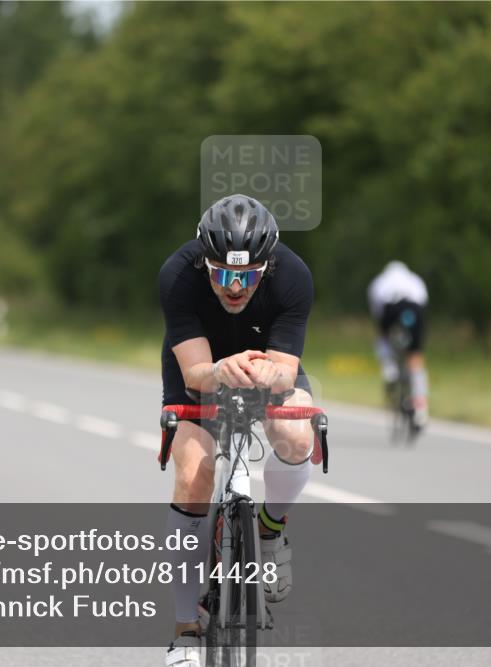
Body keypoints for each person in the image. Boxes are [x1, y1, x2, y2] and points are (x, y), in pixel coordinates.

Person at [159, 194, 316, 667]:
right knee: (194, 474)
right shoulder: (177, 275)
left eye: (246, 277)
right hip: (201, 366)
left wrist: (273, 375)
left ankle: (269, 529)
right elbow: (194, 373)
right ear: (203, 262)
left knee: (298, 435)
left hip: (266, 362)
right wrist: (219, 369)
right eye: (222, 273)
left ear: (267, 267)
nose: (233, 288)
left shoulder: (293, 276)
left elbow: (286, 370)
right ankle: (185, 630)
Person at [368, 260, 429, 428]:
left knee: (383, 339)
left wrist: (385, 333)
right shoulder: (415, 280)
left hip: (391, 308)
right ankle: (421, 408)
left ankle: (389, 369)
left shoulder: (379, 282)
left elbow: (377, 313)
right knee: (415, 357)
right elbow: (423, 304)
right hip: (415, 310)